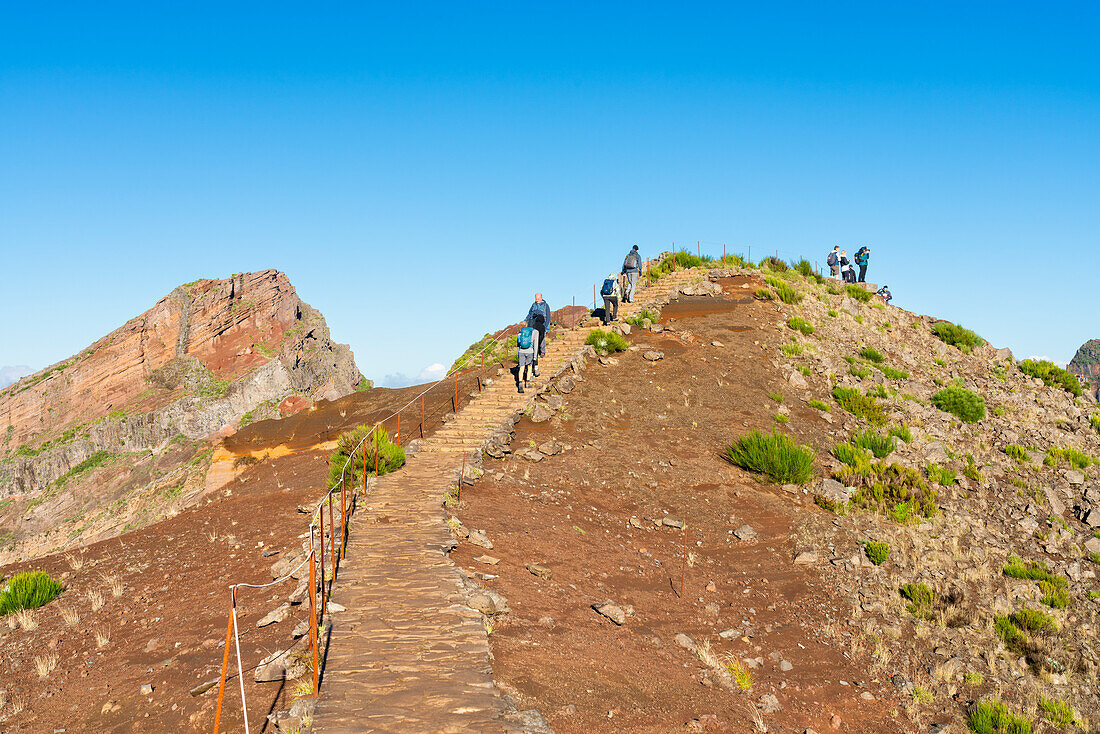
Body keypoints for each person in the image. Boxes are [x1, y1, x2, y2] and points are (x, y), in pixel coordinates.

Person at [525, 293, 550, 377]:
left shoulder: (545, 305)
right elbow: (529, 314)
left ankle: (542, 351)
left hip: (542, 325)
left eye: (538, 298)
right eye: (536, 298)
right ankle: (533, 351)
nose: (537, 299)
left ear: (541, 298)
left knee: (542, 338)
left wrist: (546, 327)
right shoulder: (533, 305)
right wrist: (525, 320)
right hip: (533, 325)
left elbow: (548, 317)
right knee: (533, 339)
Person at [515, 321, 536, 392]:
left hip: (521, 351)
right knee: (529, 366)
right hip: (530, 351)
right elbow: (534, 343)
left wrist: (518, 353)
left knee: (521, 367)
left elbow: (518, 344)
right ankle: (527, 382)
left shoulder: (520, 332)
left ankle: (520, 383)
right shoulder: (532, 332)